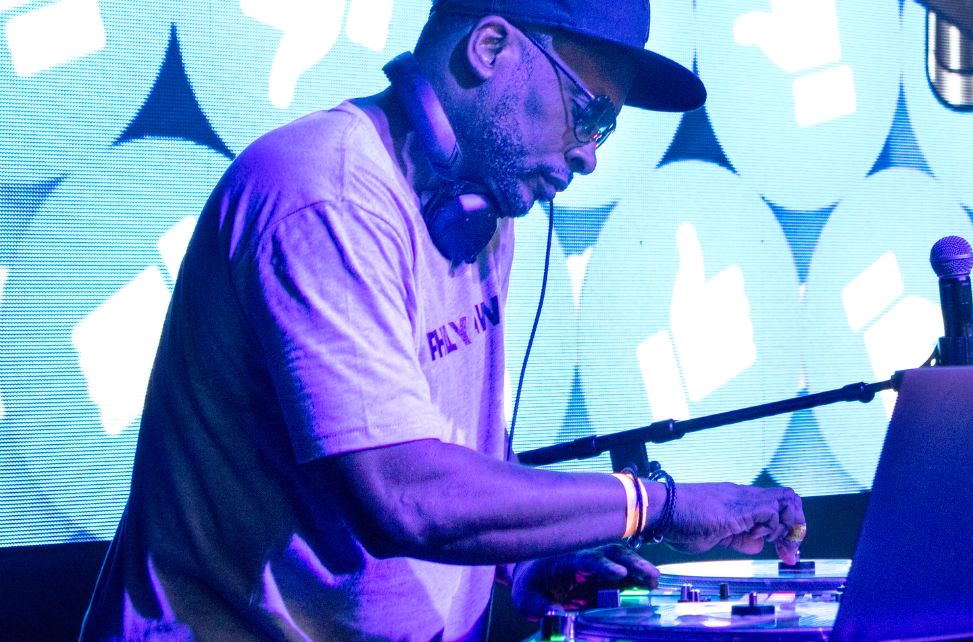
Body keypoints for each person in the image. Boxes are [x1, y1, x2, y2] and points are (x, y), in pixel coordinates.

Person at [79, 0, 807, 639]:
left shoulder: (476, 209)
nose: (588, 155)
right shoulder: (326, 195)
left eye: (605, 129)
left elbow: (452, 435)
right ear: (490, 47)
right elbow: (404, 493)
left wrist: (531, 560)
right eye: (587, 113)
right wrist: (656, 505)